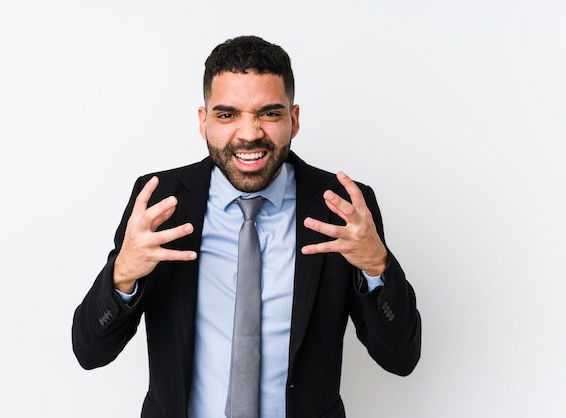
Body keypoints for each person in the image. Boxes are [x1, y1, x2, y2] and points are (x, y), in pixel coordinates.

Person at [72, 35, 421, 418]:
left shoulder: (344, 207)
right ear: (204, 122)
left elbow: (400, 357)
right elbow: (91, 351)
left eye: (269, 113)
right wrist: (122, 276)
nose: (250, 133)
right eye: (227, 115)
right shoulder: (159, 202)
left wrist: (377, 266)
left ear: (295, 118)